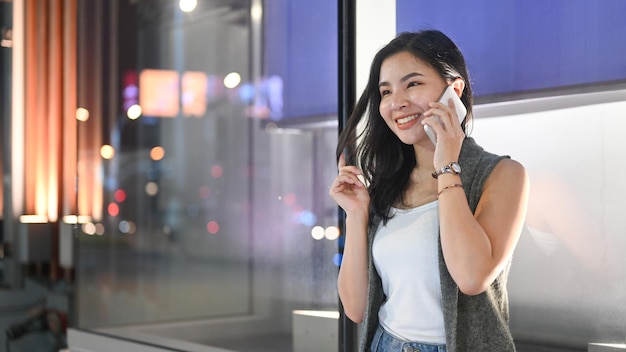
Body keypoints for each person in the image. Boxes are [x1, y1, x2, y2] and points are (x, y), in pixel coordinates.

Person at [329, 30, 529, 352]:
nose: (397, 102)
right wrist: (356, 215)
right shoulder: (387, 183)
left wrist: (447, 163)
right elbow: (355, 308)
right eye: (386, 91)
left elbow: (471, 276)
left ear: (455, 89)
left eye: (413, 84)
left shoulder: (503, 174)